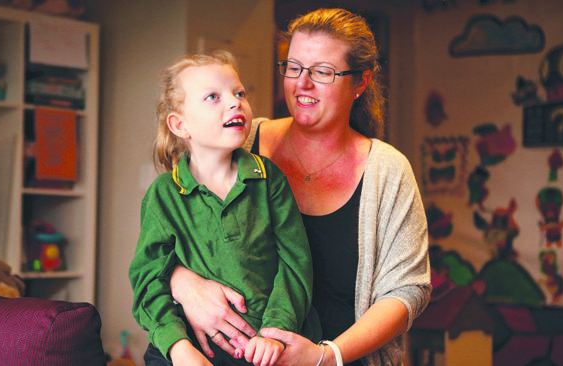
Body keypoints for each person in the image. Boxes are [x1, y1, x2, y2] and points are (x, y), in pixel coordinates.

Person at [168, 8, 431, 366]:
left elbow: (407, 290)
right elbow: (164, 235)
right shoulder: (237, 141)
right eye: (293, 67)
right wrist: (184, 284)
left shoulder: (387, 171)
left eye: (322, 72)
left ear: (361, 82)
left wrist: (326, 356)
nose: (302, 83)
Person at [129, 50, 316, 366]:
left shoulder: (269, 179)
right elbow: (149, 279)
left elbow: (296, 263)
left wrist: (275, 331)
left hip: (262, 346)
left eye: (239, 93)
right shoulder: (162, 195)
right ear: (180, 124)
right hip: (188, 348)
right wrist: (179, 348)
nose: (235, 103)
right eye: (213, 97)